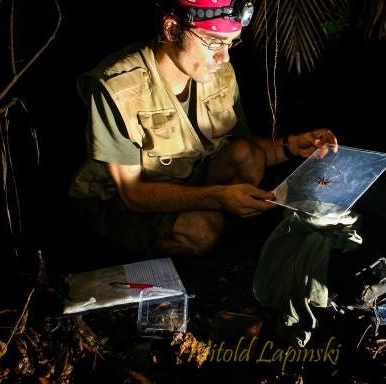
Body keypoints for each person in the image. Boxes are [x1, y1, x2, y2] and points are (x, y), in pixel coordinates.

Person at [68, 0, 338, 256]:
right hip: (121, 202)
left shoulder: (216, 71)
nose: (224, 57)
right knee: (200, 231)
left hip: (187, 177)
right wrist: (219, 198)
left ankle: (223, 226)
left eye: (230, 44)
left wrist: (291, 145)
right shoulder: (117, 87)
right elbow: (134, 193)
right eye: (213, 43)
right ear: (173, 29)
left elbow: (245, 147)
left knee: (247, 155)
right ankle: (146, 252)